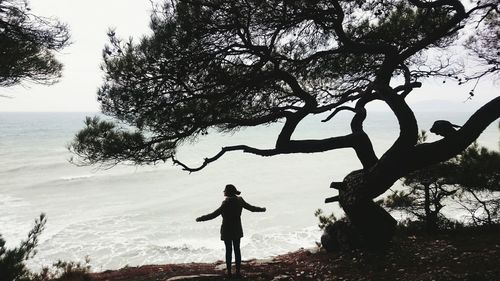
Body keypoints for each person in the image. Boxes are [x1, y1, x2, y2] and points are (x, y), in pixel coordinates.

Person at [196, 184, 266, 278]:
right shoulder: (240, 200)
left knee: (228, 251)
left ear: (228, 192)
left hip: (227, 230)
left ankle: (229, 272)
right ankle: (237, 272)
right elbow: (251, 208)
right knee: (237, 250)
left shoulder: (226, 203)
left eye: (224, 190)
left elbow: (214, 214)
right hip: (237, 229)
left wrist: (201, 219)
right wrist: (262, 209)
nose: (223, 192)